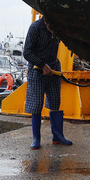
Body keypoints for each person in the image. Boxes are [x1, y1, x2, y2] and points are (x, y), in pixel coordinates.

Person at [24, 16, 72, 149]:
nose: (53, 31)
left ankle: (57, 136)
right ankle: (36, 139)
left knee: (55, 102)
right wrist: (42, 65)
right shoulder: (35, 28)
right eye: (50, 28)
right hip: (36, 69)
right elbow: (27, 52)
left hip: (54, 67)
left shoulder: (58, 27)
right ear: (45, 21)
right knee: (36, 104)